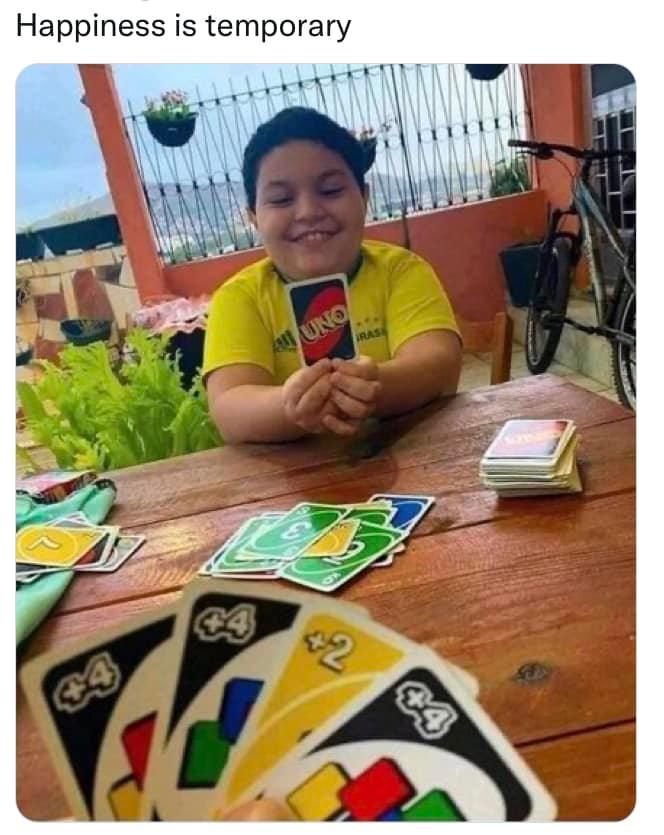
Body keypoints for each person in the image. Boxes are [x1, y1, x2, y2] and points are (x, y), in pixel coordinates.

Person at [203, 107, 462, 443]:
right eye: (281, 199)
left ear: (364, 197)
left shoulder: (402, 271)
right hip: (291, 475)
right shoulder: (239, 298)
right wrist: (290, 405)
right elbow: (229, 407)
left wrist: (375, 386)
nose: (308, 212)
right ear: (253, 217)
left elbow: (439, 364)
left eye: (330, 190)